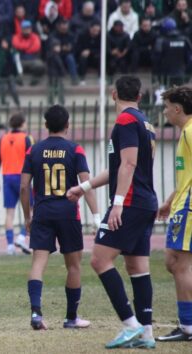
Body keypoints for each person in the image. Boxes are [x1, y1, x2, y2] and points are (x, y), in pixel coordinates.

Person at [66, 76, 157, 349]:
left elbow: (127, 165)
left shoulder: (126, 121)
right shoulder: (146, 122)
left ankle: (130, 325)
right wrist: (84, 186)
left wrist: (117, 203)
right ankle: (147, 334)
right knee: (137, 267)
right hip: (145, 202)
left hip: (130, 202)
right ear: (140, 96)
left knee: (99, 260)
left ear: (113, 94)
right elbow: (120, 167)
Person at [20, 104, 99, 331]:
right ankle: (71, 318)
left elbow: (24, 187)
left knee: (38, 262)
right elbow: (86, 185)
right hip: (68, 213)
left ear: (46, 126)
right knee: (73, 265)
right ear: (67, 125)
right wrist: (95, 217)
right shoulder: (75, 150)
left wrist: (28, 216)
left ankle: (36, 314)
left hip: (42, 213)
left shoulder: (33, 150)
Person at [154, 86, 192, 342]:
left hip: (189, 207)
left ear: (177, 109)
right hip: (181, 203)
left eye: (166, 106)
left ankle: (188, 326)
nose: (165, 111)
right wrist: (170, 200)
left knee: (178, 263)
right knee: (175, 262)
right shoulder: (185, 134)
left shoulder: (190, 133)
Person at [0, 112, 33, 255]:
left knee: (9, 213)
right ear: (22, 124)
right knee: (30, 209)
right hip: (22, 178)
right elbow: (32, 158)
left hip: (7, 177)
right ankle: (22, 237)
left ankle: (10, 245)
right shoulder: (26, 138)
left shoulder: (3, 139)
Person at [12, 20, 45, 86]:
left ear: (31, 29)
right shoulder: (16, 37)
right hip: (21, 60)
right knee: (13, 64)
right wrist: (28, 46)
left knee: (40, 65)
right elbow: (16, 45)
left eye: (28, 28)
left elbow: (36, 47)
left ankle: (35, 79)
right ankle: (19, 79)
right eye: (24, 28)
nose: (26, 30)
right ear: (21, 29)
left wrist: (24, 48)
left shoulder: (35, 37)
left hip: (33, 59)